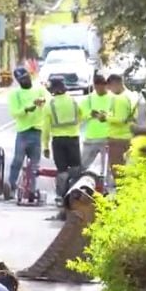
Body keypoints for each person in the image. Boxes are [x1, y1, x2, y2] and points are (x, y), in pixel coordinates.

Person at [39, 76, 83, 210]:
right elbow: (81, 116)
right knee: (75, 169)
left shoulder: (49, 105)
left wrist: (45, 146)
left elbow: (45, 128)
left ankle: (61, 196)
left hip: (58, 140)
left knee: (62, 170)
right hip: (73, 138)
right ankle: (75, 196)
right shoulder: (75, 101)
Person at [7, 67, 47, 203]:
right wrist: (26, 109)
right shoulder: (15, 94)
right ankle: (11, 186)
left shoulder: (39, 90)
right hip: (23, 131)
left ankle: (32, 190)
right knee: (18, 160)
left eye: (26, 77)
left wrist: (42, 101)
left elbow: (48, 100)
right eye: (21, 79)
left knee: (34, 165)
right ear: (18, 81)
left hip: (37, 130)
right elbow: (14, 112)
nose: (25, 81)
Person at [104, 74, 136, 187]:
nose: (110, 91)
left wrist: (105, 118)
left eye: (110, 88)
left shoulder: (120, 99)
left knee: (117, 169)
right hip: (128, 136)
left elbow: (121, 119)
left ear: (115, 84)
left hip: (118, 138)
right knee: (124, 167)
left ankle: (121, 195)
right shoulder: (131, 95)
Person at [79, 73, 115, 174]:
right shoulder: (89, 99)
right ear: (94, 86)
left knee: (108, 167)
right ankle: (77, 181)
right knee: (82, 164)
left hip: (107, 137)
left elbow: (116, 114)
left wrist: (106, 116)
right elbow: (82, 114)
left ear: (105, 85)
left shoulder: (112, 98)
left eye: (102, 85)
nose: (99, 88)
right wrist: (91, 114)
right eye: (97, 86)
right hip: (91, 137)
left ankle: (107, 185)